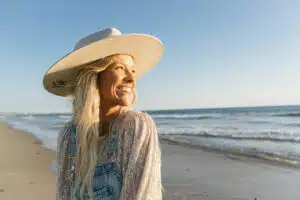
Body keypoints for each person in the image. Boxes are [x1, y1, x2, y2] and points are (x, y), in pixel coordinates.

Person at [42, 28, 164, 200]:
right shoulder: (69, 137)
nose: (131, 78)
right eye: (120, 68)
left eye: (133, 71)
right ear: (93, 76)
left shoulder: (136, 126)